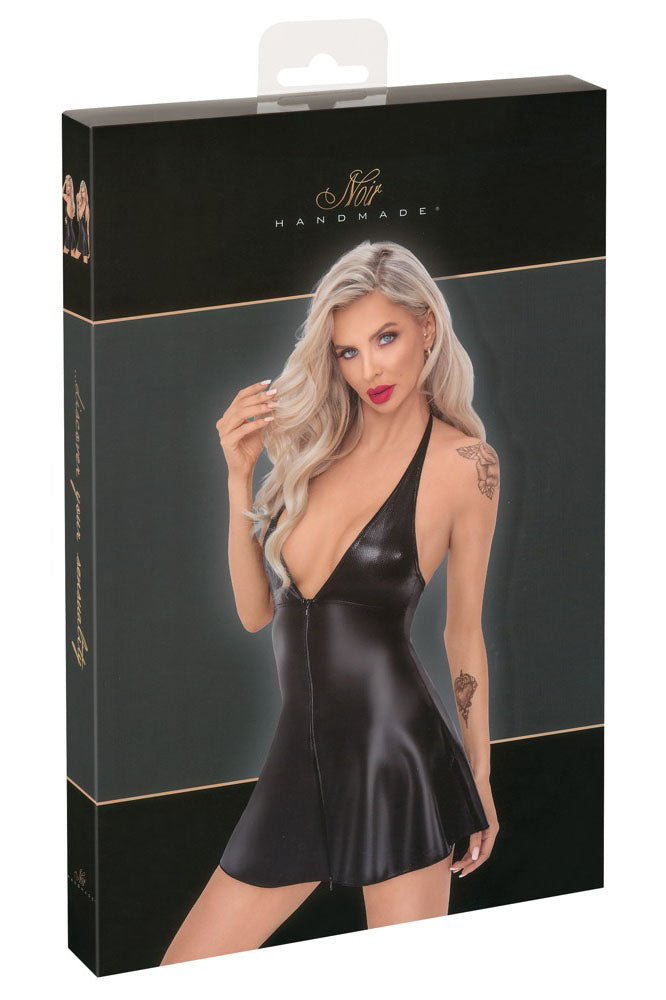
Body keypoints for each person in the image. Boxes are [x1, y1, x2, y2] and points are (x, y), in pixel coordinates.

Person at [161, 239, 500, 965]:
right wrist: (237, 479)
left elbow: (463, 633)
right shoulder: (315, 450)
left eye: (386, 338)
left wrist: (479, 773)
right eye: (348, 351)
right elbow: (257, 613)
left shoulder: (465, 466)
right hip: (299, 756)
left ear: (427, 329)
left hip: (396, 758)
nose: (369, 368)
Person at [62, 175, 76, 254]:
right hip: (71, 234)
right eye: (67, 186)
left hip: (69, 235)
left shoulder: (68, 199)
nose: (67, 188)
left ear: (71, 188)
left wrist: (64, 183)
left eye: (69, 186)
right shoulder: (72, 201)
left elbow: (61, 193)